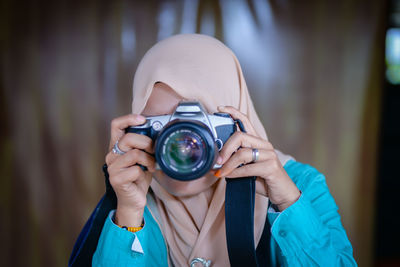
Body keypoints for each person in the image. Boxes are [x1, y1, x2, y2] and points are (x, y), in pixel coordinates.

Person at [80, 34, 356, 266]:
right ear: (137, 124)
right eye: (162, 125)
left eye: (200, 123)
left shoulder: (301, 185)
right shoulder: (131, 192)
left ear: (236, 117)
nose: (183, 143)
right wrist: (128, 212)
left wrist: (288, 203)